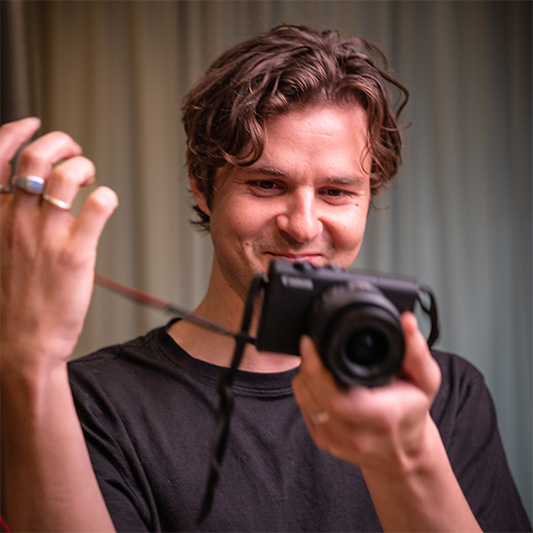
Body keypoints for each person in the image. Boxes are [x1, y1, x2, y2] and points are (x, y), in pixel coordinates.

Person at [1, 25, 530, 533]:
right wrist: (29, 358)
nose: (303, 226)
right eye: (267, 184)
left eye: (336, 192)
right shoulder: (86, 404)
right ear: (203, 186)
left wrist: (408, 451)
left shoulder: (444, 394)